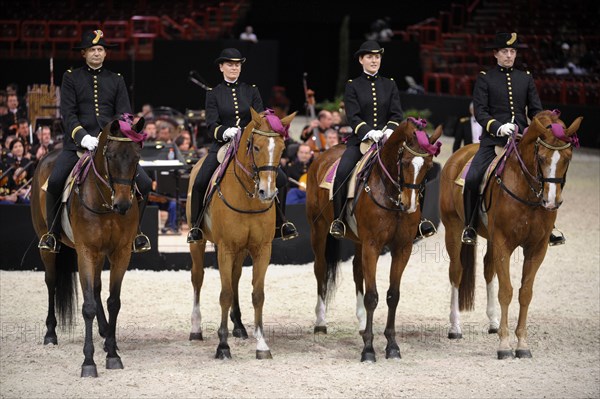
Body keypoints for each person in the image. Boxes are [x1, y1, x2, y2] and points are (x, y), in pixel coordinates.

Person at [38, 29, 153, 253]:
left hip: (112, 145)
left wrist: (112, 136)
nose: (97, 53)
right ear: (84, 53)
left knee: (146, 184)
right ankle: (52, 234)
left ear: (105, 53)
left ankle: (136, 232)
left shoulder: (116, 80)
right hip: (79, 145)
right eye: (92, 50)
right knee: (55, 181)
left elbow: (125, 115)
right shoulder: (71, 77)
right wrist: (84, 137)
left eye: (100, 49)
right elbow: (68, 115)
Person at [462, 32, 564, 246]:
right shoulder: (485, 78)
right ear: (495, 54)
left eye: (512, 51)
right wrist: (498, 128)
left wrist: (547, 128)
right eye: (505, 51)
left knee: (548, 173)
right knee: (472, 178)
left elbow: (536, 110)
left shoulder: (525, 77)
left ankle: (550, 226)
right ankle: (470, 226)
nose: (509, 55)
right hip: (494, 141)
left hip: (521, 141)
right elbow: (480, 112)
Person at [187, 48, 298, 243]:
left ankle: (281, 222)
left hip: (250, 145)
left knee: (281, 178)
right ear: (221, 67)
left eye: (237, 65)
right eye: (229, 64)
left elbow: (261, 118)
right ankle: (196, 226)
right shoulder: (213, 94)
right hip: (223, 144)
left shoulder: (251, 90)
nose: (234, 68)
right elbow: (211, 125)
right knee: (200, 180)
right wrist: (225, 131)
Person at [330, 41, 402, 238]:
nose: (374, 60)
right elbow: (353, 116)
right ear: (361, 60)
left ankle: (418, 220)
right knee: (343, 172)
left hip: (388, 141)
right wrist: (370, 132)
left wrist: (389, 130)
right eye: (369, 57)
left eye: (377, 57)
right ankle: (339, 220)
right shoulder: (353, 86)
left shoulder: (390, 84)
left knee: (414, 168)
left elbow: (396, 114)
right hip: (362, 142)